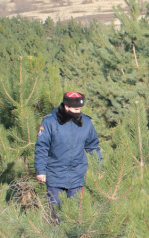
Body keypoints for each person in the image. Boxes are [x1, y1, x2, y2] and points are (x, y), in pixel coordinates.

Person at [34, 92, 102, 220]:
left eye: (80, 109)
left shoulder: (86, 122)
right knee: (56, 217)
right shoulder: (50, 121)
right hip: (55, 176)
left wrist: (99, 167)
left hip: (78, 176)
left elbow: (93, 146)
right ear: (66, 107)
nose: (78, 112)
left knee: (75, 218)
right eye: (75, 109)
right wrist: (40, 170)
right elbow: (41, 147)